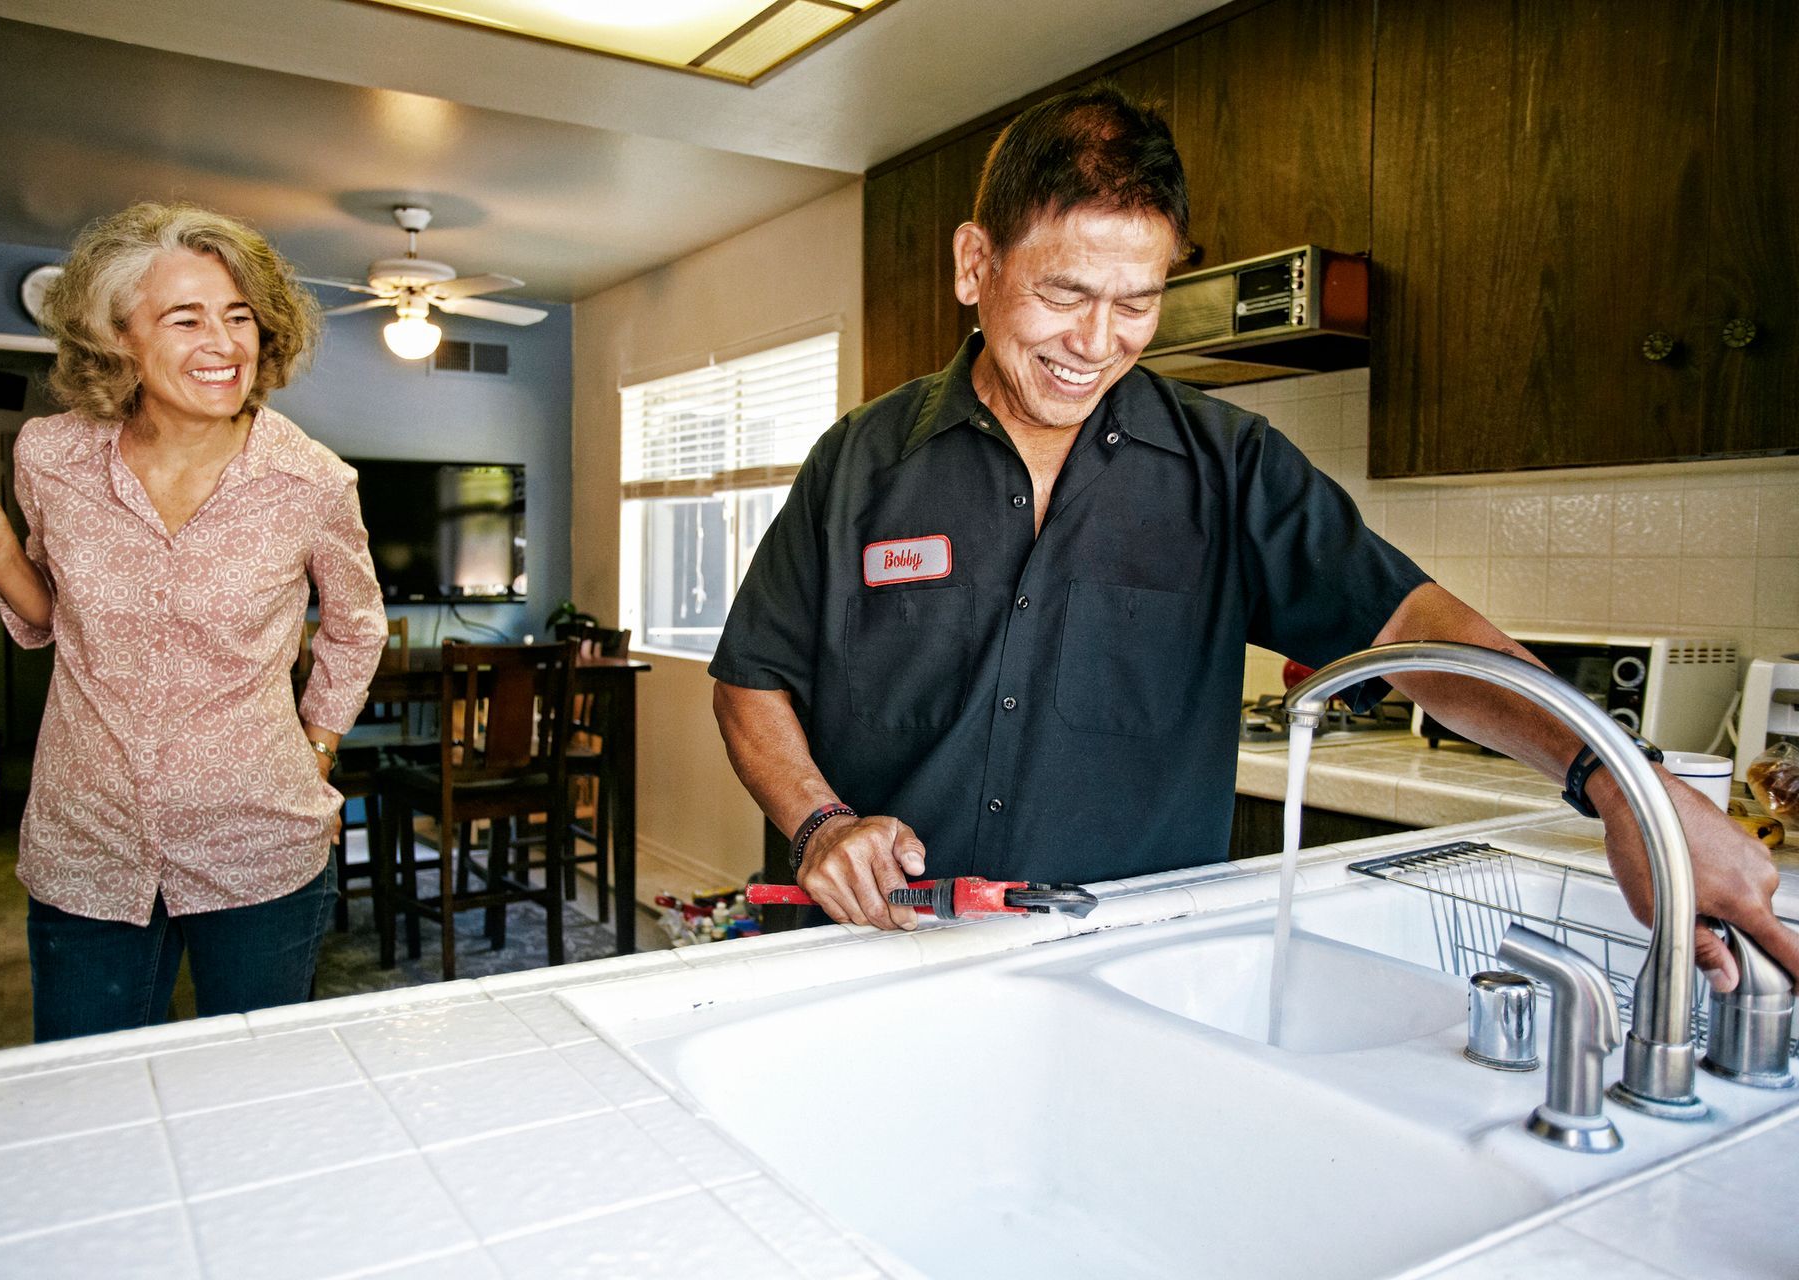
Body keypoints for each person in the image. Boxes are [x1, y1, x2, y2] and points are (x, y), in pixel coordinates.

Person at [708, 85, 1797, 992]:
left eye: (1138, 301)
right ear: (973, 263)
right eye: (1065, 292)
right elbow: (752, 678)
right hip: (872, 964)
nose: (1098, 342)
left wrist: (1630, 786)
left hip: (1127, 975)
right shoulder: (857, 462)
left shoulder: (1231, 468)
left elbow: (1414, 628)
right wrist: (819, 826)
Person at [0, 202, 387, 1040]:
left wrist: (316, 745)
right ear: (119, 336)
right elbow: (55, 622)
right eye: (187, 318)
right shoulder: (50, 457)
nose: (225, 343)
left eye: (240, 316)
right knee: (86, 1090)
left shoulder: (311, 481)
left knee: (247, 1097)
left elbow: (357, 627)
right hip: (87, 842)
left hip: (258, 847)